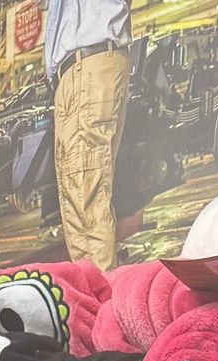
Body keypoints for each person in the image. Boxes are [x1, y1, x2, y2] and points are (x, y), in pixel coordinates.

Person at [43, 0, 130, 269]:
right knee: (78, 197)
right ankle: (94, 293)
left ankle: (103, 299)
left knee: (85, 194)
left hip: (86, 67)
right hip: (80, 71)